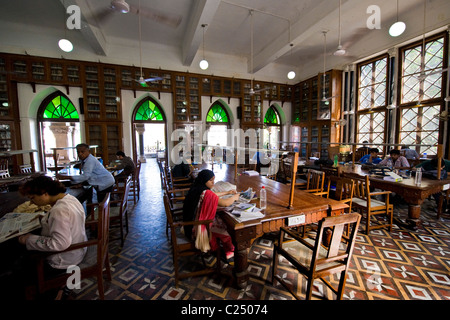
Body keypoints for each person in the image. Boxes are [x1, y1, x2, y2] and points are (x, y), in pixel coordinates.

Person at [1, 176, 88, 299]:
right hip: (78, 249)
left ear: (44, 193)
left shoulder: (59, 210)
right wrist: (46, 220)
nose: (31, 202)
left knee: (19, 269)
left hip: (65, 259)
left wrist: (28, 239)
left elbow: (60, 244)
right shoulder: (69, 198)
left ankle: (49, 290)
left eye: (33, 198)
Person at [182, 169, 240, 263]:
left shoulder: (197, 187)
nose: (213, 182)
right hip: (196, 228)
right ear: (204, 180)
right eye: (210, 180)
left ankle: (223, 249)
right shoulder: (205, 192)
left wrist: (227, 193)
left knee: (219, 220)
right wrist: (234, 197)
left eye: (214, 179)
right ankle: (227, 250)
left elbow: (212, 195)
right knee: (225, 227)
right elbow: (225, 203)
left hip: (189, 224)